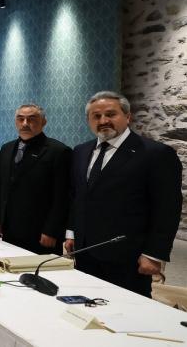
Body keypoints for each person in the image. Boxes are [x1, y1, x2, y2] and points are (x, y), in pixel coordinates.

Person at [65, 91, 182, 297]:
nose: (103, 120)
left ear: (128, 117)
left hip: (127, 255)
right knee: (88, 302)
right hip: (85, 250)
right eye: (96, 116)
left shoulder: (156, 154)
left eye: (111, 114)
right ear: (89, 121)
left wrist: (154, 254)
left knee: (127, 308)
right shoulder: (81, 151)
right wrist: (72, 232)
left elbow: (167, 208)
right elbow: (78, 196)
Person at [0, 104, 71, 255]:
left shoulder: (59, 151)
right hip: (9, 228)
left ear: (43, 122)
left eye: (31, 119)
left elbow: (62, 196)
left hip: (40, 231)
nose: (25, 124)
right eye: (20, 119)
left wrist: (52, 230)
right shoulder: (6, 148)